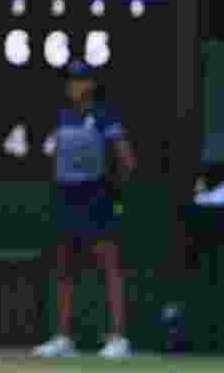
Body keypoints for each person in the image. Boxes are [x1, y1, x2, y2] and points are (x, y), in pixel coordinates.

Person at [33, 61, 139, 360]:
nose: (72, 85)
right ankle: (63, 338)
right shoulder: (61, 117)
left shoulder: (106, 117)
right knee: (64, 266)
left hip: (97, 196)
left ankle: (118, 338)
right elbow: (49, 155)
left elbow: (126, 160)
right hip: (67, 196)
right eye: (69, 81)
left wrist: (113, 191)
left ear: (90, 85)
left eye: (78, 80)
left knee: (109, 266)